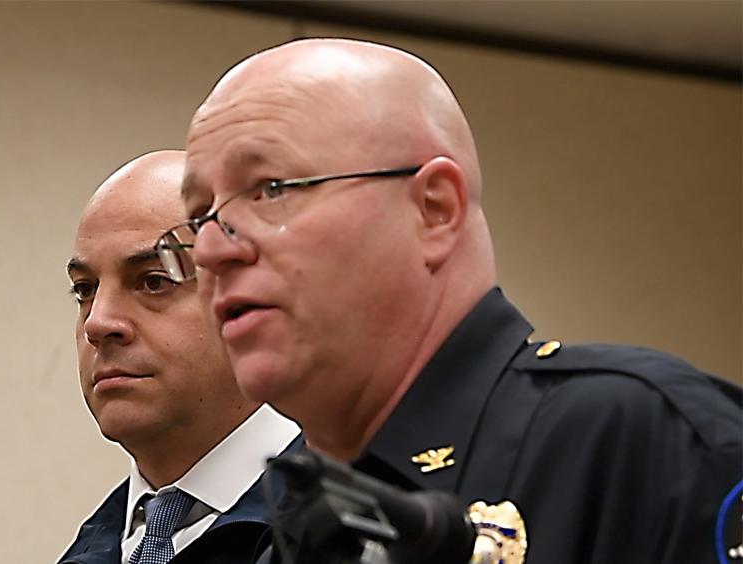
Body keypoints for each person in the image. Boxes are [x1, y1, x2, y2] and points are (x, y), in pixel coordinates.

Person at [153, 39, 743, 563]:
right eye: (201, 215)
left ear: (435, 209)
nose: (210, 251)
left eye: (270, 189)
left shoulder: (634, 442)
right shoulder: (295, 530)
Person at [58, 150, 299, 564]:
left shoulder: (375, 532)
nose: (97, 323)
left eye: (154, 281)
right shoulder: (94, 549)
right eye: (85, 289)